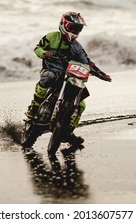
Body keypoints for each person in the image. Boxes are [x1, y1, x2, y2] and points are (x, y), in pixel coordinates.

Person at [25, 11, 112, 145]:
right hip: (52, 71)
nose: (76, 31)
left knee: (81, 104)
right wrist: (45, 53)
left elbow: (87, 63)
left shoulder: (77, 47)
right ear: (64, 25)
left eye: (78, 29)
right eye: (73, 27)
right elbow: (38, 48)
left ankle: (68, 132)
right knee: (47, 77)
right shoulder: (51, 36)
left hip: (70, 75)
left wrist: (101, 75)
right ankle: (34, 107)